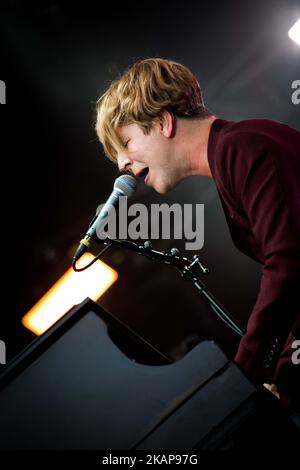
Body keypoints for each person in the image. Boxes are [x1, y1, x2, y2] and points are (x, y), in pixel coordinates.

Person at [95, 58, 300, 408]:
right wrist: (281, 375)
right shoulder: (233, 153)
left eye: (126, 143)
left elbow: (288, 266)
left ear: (163, 122)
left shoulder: (241, 148)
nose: (121, 164)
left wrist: (243, 377)